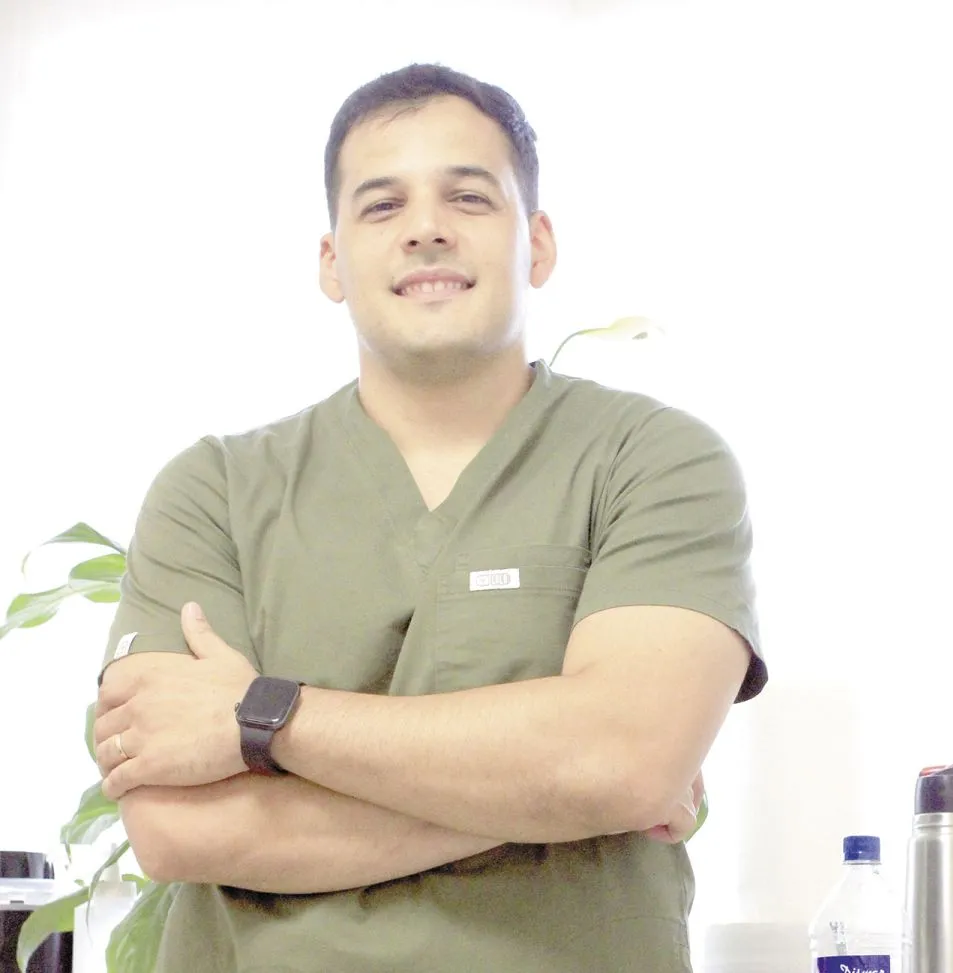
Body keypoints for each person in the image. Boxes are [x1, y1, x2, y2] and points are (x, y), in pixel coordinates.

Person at [90, 62, 766, 972]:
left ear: (538, 244)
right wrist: (565, 792)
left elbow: (625, 761)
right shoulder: (212, 490)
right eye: (381, 206)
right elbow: (178, 830)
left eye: (469, 196)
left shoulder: (652, 460)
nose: (426, 229)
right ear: (331, 262)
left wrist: (264, 717)